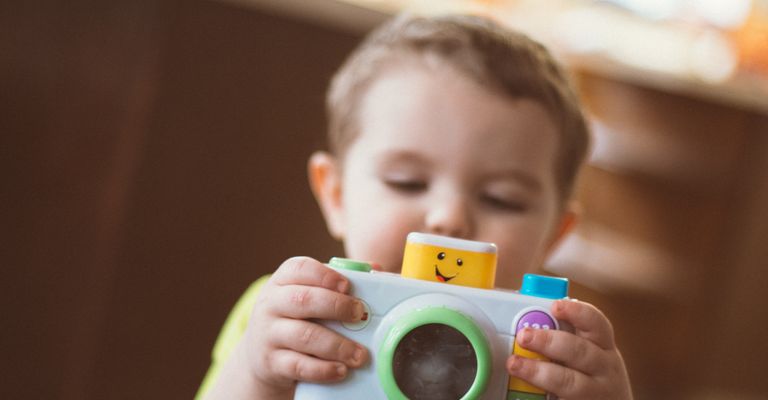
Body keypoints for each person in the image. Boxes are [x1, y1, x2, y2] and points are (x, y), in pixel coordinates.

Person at [198, 13, 633, 400]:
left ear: (555, 233)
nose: (449, 219)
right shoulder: (292, 316)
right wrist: (257, 374)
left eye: (502, 199)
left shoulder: (551, 358)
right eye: (407, 183)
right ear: (336, 196)